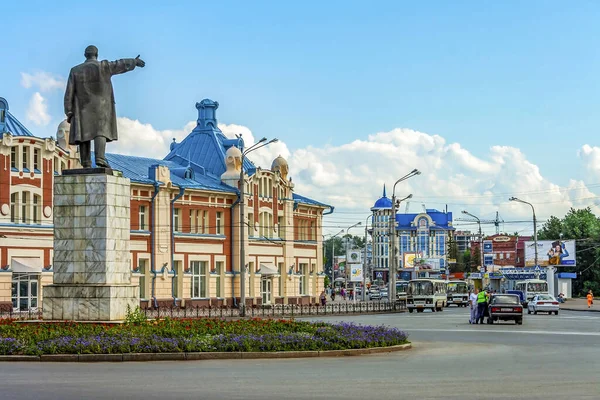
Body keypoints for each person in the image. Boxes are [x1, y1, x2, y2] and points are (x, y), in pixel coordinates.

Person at [64, 45, 145, 168]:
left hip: (82, 107)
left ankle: (85, 162)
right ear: (96, 55)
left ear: (85, 55)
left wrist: (69, 111)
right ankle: (100, 158)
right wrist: (134, 61)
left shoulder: (75, 70)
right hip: (101, 107)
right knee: (99, 132)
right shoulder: (103, 66)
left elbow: (69, 92)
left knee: (83, 134)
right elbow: (120, 64)